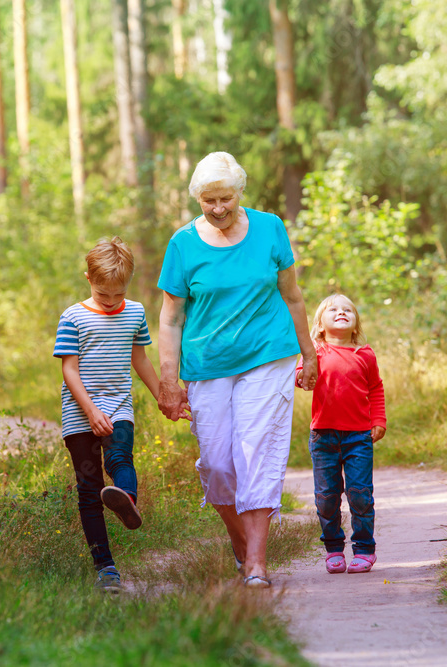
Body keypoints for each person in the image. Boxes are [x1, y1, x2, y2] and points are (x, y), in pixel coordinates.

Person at [157, 151, 318, 589]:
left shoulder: (269, 228)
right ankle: (241, 542)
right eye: (208, 201)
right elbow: (170, 318)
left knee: (255, 452)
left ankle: (257, 565)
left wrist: (310, 353)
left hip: (269, 355)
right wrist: (167, 380)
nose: (217, 209)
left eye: (224, 199)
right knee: (217, 463)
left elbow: (294, 295)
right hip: (206, 366)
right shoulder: (183, 244)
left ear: (239, 192)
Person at [53, 237, 161, 593]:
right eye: (104, 295)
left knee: (120, 456)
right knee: (89, 490)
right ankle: (106, 568)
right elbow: (69, 370)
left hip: (118, 405)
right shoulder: (73, 317)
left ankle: (126, 500)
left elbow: (140, 359)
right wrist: (89, 410)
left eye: (118, 293)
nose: (113, 301)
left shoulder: (135, 312)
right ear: (88, 279)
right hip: (79, 412)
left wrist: (163, 395)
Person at [295, 293, 386, 574]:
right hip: (323, 436)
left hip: (358, 436)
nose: (341, 312)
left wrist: (378, 418)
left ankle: (364, 549)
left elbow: (375, 389)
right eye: (333, 309)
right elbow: (301, 375)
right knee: (327, 496)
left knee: (359, 494)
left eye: (348, 309)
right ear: (320, 324)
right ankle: (334, 548)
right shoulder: (315, 350)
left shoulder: (364, 354)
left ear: (355, 323)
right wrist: (301, 375)